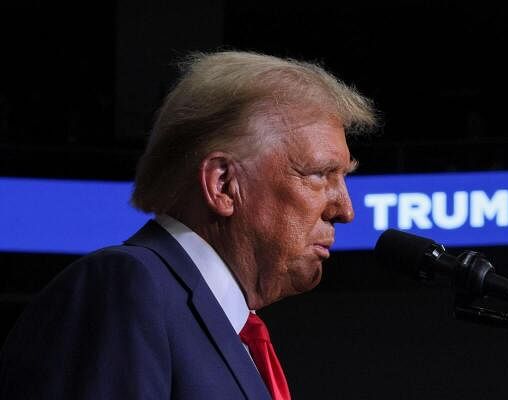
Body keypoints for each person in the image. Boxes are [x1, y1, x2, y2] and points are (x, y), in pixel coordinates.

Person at [0, 51, 377, 399]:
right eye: (319, 175)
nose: (345, 210)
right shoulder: (128, 286)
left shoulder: (234, 332)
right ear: (223, 185)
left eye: (343, 177)